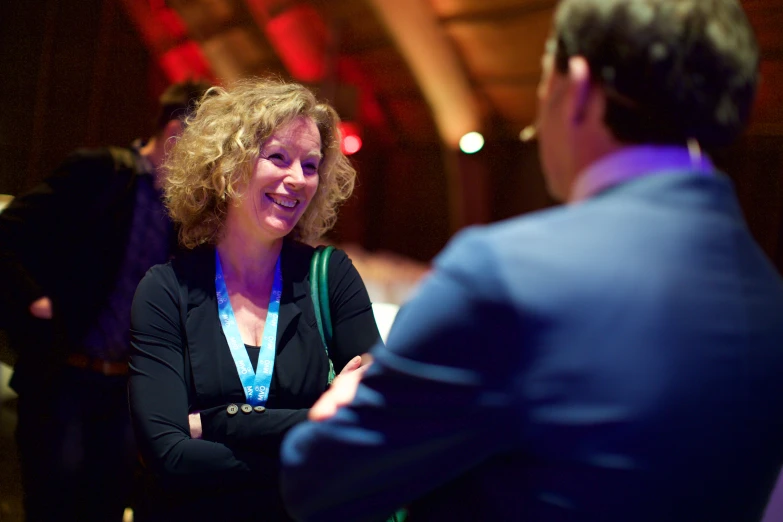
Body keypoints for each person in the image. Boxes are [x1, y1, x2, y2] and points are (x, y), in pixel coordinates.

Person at [279, 1, 783, 521]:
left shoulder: (505, 276)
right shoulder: (767, 293)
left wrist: (344, 396)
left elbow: (318, 482)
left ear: (578, 86)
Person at [127, 78, 380, 521]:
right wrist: (316, 430)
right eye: (278, 158)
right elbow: (169, 459)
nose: (297, 179)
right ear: (229, 165)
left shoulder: (330, 277)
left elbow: (377, 420)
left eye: (311, 164)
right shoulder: (166, 290)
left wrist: (218, 421)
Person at [0, 79, 211, 521]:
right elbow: (7, 236)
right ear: (176, 133)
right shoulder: (100, 172)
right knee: (53, 506)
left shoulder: (183, 209)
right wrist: (34, 300)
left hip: (126, 391)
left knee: (107, 508)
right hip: (66, 377)